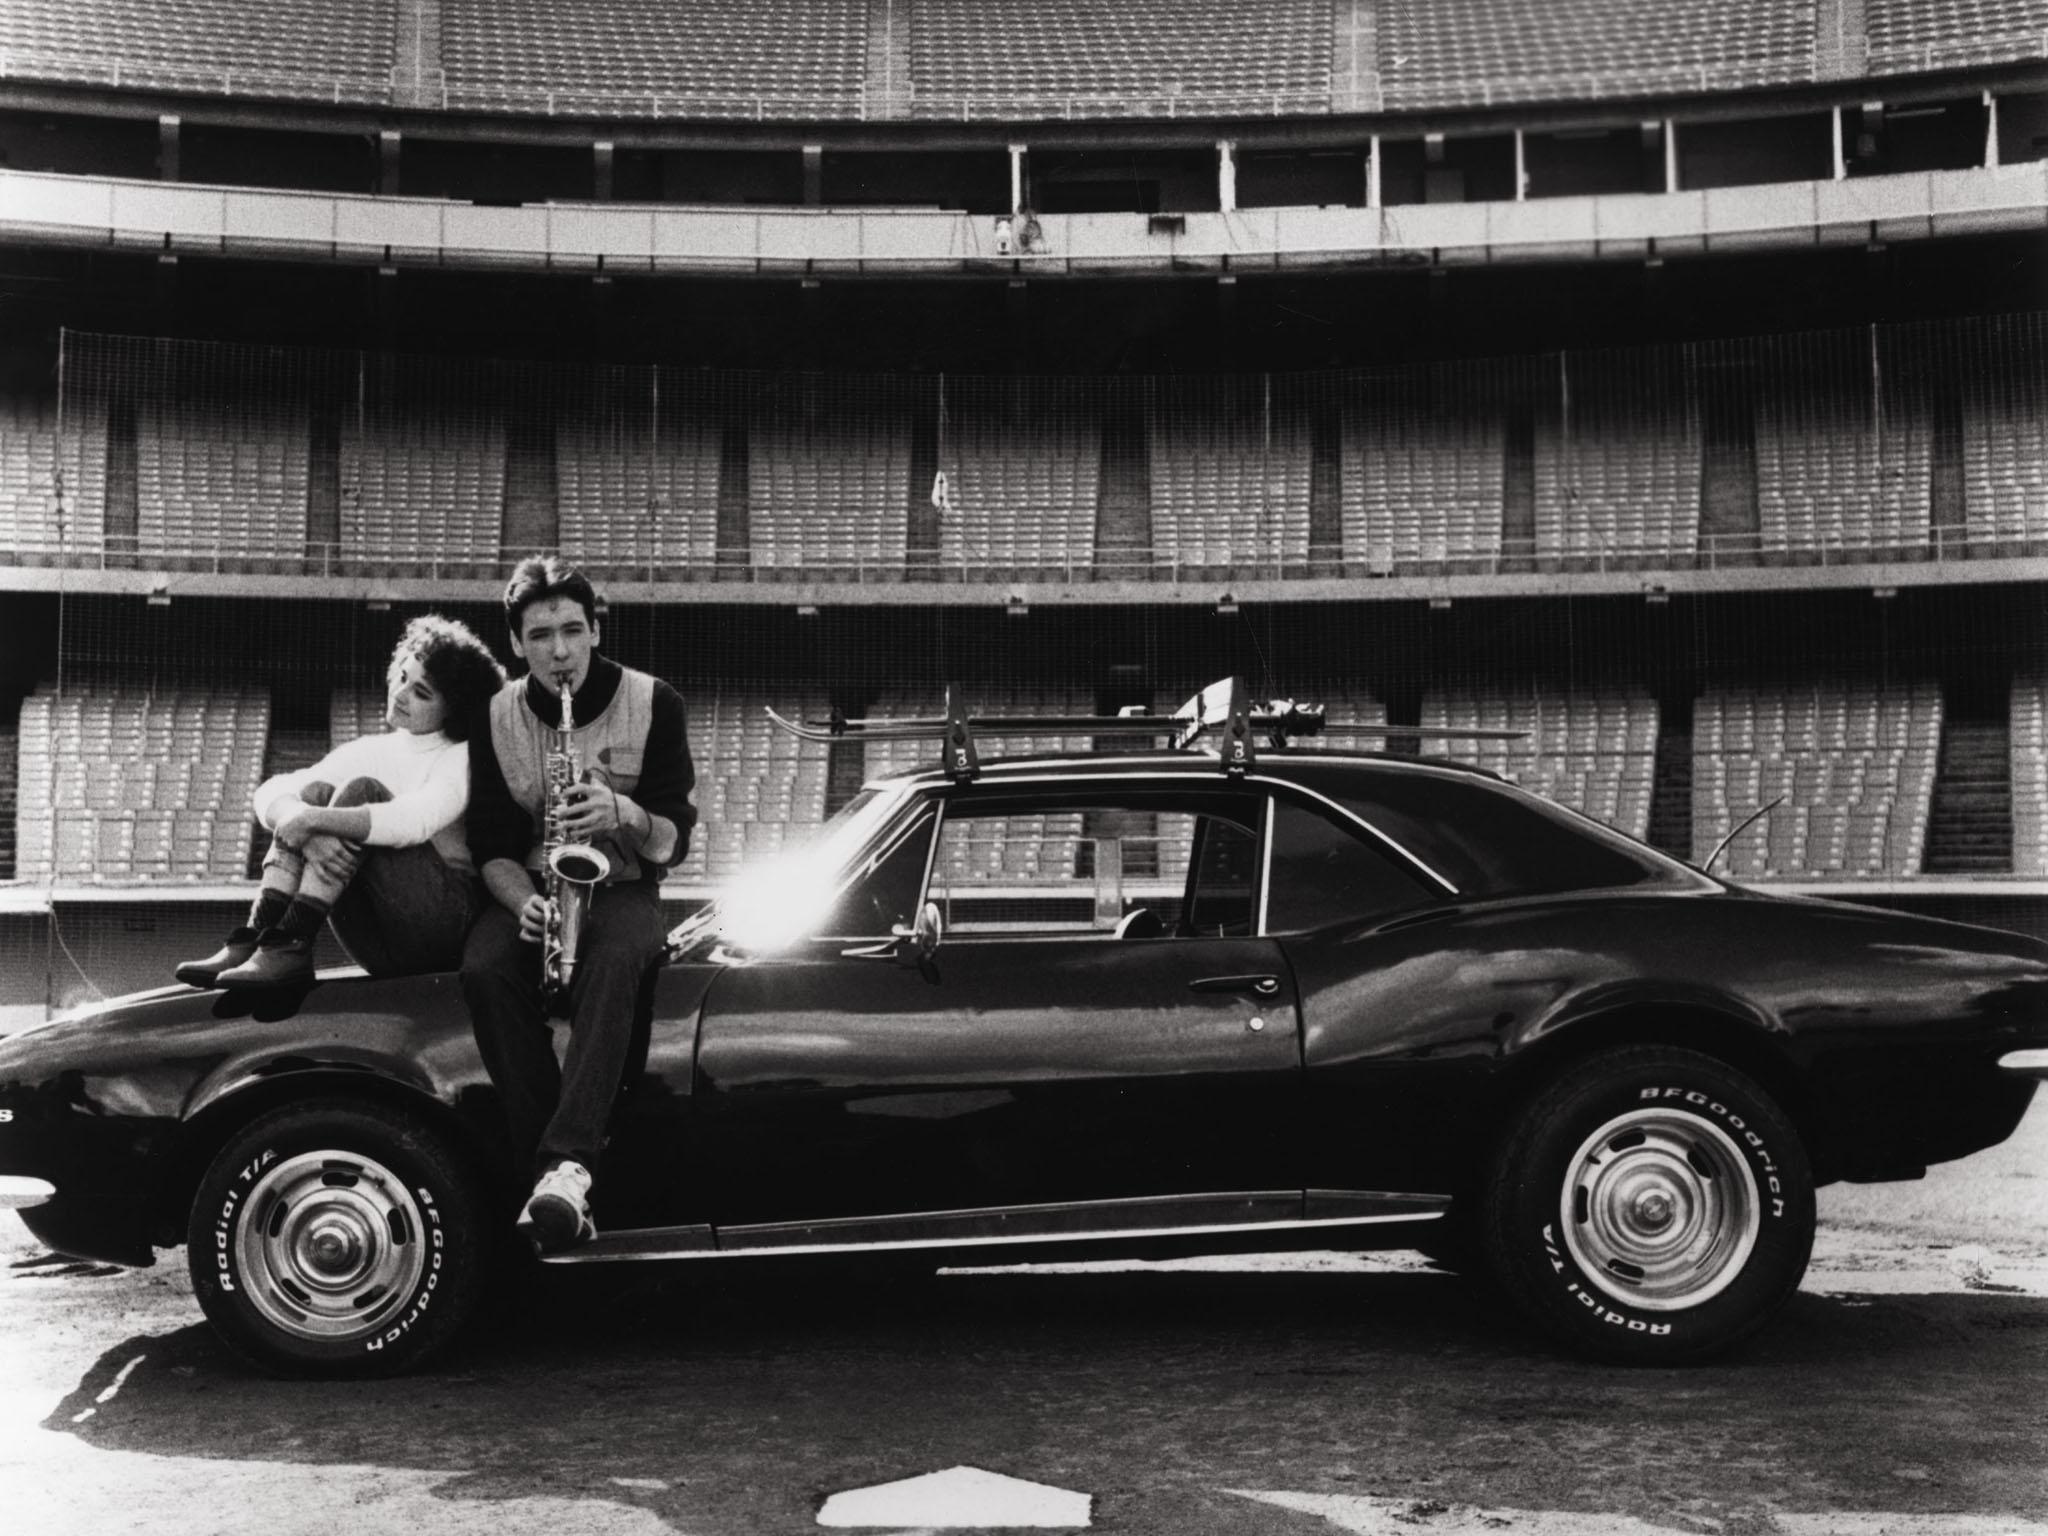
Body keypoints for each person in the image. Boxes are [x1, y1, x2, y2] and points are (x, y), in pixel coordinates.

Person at [461, 556, 695, 1254]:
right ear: (516, 643)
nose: (559, 652)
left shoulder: (656, 702)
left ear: (595, 629)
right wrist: (523, 904)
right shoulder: (495, 715)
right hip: (534, 882)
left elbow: (672, 844)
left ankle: (566, 1164)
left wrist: (623, 811)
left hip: (623, 882)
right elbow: (491, 847)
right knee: (484, 969)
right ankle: (555, 1185)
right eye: (540, 636)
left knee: (615, 959)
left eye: (571, 630)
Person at [175, 615, 508, 989]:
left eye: (421, 692)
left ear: (454, 708)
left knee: (360, 791)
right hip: (378, 940)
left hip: (443, 933)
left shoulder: (462, 755)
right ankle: (259, 936)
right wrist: (302, 818)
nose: (400, 694)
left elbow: (414, 821)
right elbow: (273, 789)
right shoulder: (372, 748)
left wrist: (315, 822)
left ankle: (290, 944)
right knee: (312, 794)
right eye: (402, 677)